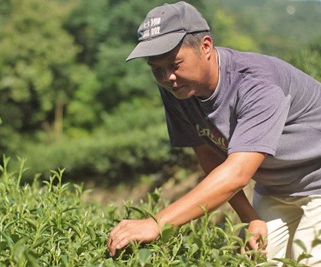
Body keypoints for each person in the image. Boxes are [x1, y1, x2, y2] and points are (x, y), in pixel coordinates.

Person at [107, 1, 321, 265]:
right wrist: (250, 217)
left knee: (308, 260)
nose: (167, 77)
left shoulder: (256, 84)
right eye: (157, 69)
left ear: (205, 46)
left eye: (175, 64)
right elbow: (209, 153)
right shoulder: (178, 90)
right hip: (275, 189)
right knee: (258, 261)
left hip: (318, 182)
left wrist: (157, 223)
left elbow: (237, 173)